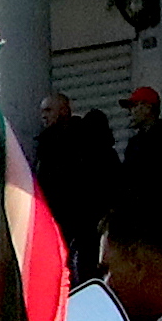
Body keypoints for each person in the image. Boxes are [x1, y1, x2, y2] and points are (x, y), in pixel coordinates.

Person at [29, 88, 120, 286]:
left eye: (48, 110)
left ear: (63, 111)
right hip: (62, 222)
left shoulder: (78, 143)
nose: (44, 116)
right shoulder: (47, 143)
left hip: (80, 222)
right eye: (42, 112)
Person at [113, 79, 162, 222]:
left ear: (147, 107)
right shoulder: (134, 143)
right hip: (140, 217)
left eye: (134, 106)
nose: (132, 112)